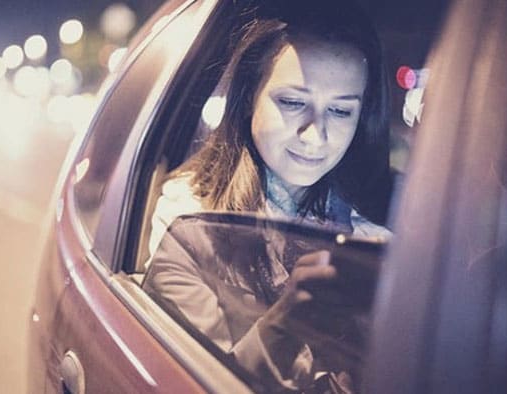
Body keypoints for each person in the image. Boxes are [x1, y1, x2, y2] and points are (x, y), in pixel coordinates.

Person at [144, 1, 391, 392]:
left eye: (341, 111)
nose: (315, 135)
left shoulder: (374, 232)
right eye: (293, 103)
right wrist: (289, 320)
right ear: (248, 99)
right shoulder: (189, 218)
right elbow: (199, 378)